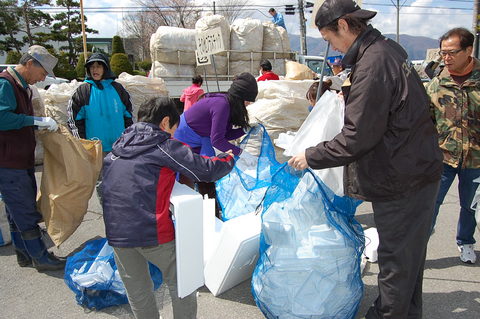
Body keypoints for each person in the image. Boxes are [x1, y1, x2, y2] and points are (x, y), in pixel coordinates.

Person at [287, 1, 443, 318]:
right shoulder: (386, 49)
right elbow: (388, 104)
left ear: (344, 25)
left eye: (330, 38)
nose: (332, 45)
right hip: (414, 169)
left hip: (402, 179)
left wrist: (310, 155)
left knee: (396, 263)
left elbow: (357, 137)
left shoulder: (373, 63)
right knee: (408, 260)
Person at [101, 97, 234, 319]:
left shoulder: (118, 145)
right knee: (184, 282)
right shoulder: (163, 145)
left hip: (116, 232)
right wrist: (228, 158)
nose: (174, 133)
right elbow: (204, 170)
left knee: (138, 290)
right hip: (150, 231)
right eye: (174, 127)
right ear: (165, 122)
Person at [0, 45, 65, 271]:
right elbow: (3, 118)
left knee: (15, 210)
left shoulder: (22, 86)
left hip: (19, 159)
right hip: (9, 162)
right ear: (29, 64)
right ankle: (41, 258)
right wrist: (35, 121)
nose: (43, 78)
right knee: (25, 209)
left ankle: (24, 255)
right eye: (43, 72)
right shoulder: (6, 84)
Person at [426, 27, 480, 264]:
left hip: (476, 159)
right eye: (442, 53)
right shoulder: (437, 83)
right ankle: (418, 245)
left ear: (469, 50)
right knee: (430, 204)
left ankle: (466, 242)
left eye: (451, 52)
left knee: (470, 206)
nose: (446, 58)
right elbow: (425, 120)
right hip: (443, 157)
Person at [174, 72, 257, 215]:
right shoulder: (222, 105)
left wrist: (244, 130)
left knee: (206, 173)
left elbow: (223, 134)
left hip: (201, 136)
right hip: (184, 136)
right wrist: (242, 154)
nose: (248, 104)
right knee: (199, 173)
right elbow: (217, 140)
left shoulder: (228, 104)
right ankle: (191, 212)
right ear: (239, 97)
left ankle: (210, 210)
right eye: (247, 101)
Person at [67, 53, 133, 202]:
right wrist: (84, 145)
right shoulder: (83, 92)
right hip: (97, 150)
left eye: (98, 66)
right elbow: (73, 121)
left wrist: (128, 139)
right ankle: (107, 211)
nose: (95, 70)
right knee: (102, 185)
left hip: (119, 146)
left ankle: (122, 208)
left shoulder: (118, 89)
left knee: (122, 181)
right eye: (92, 67)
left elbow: (129, 115)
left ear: (105, 68)